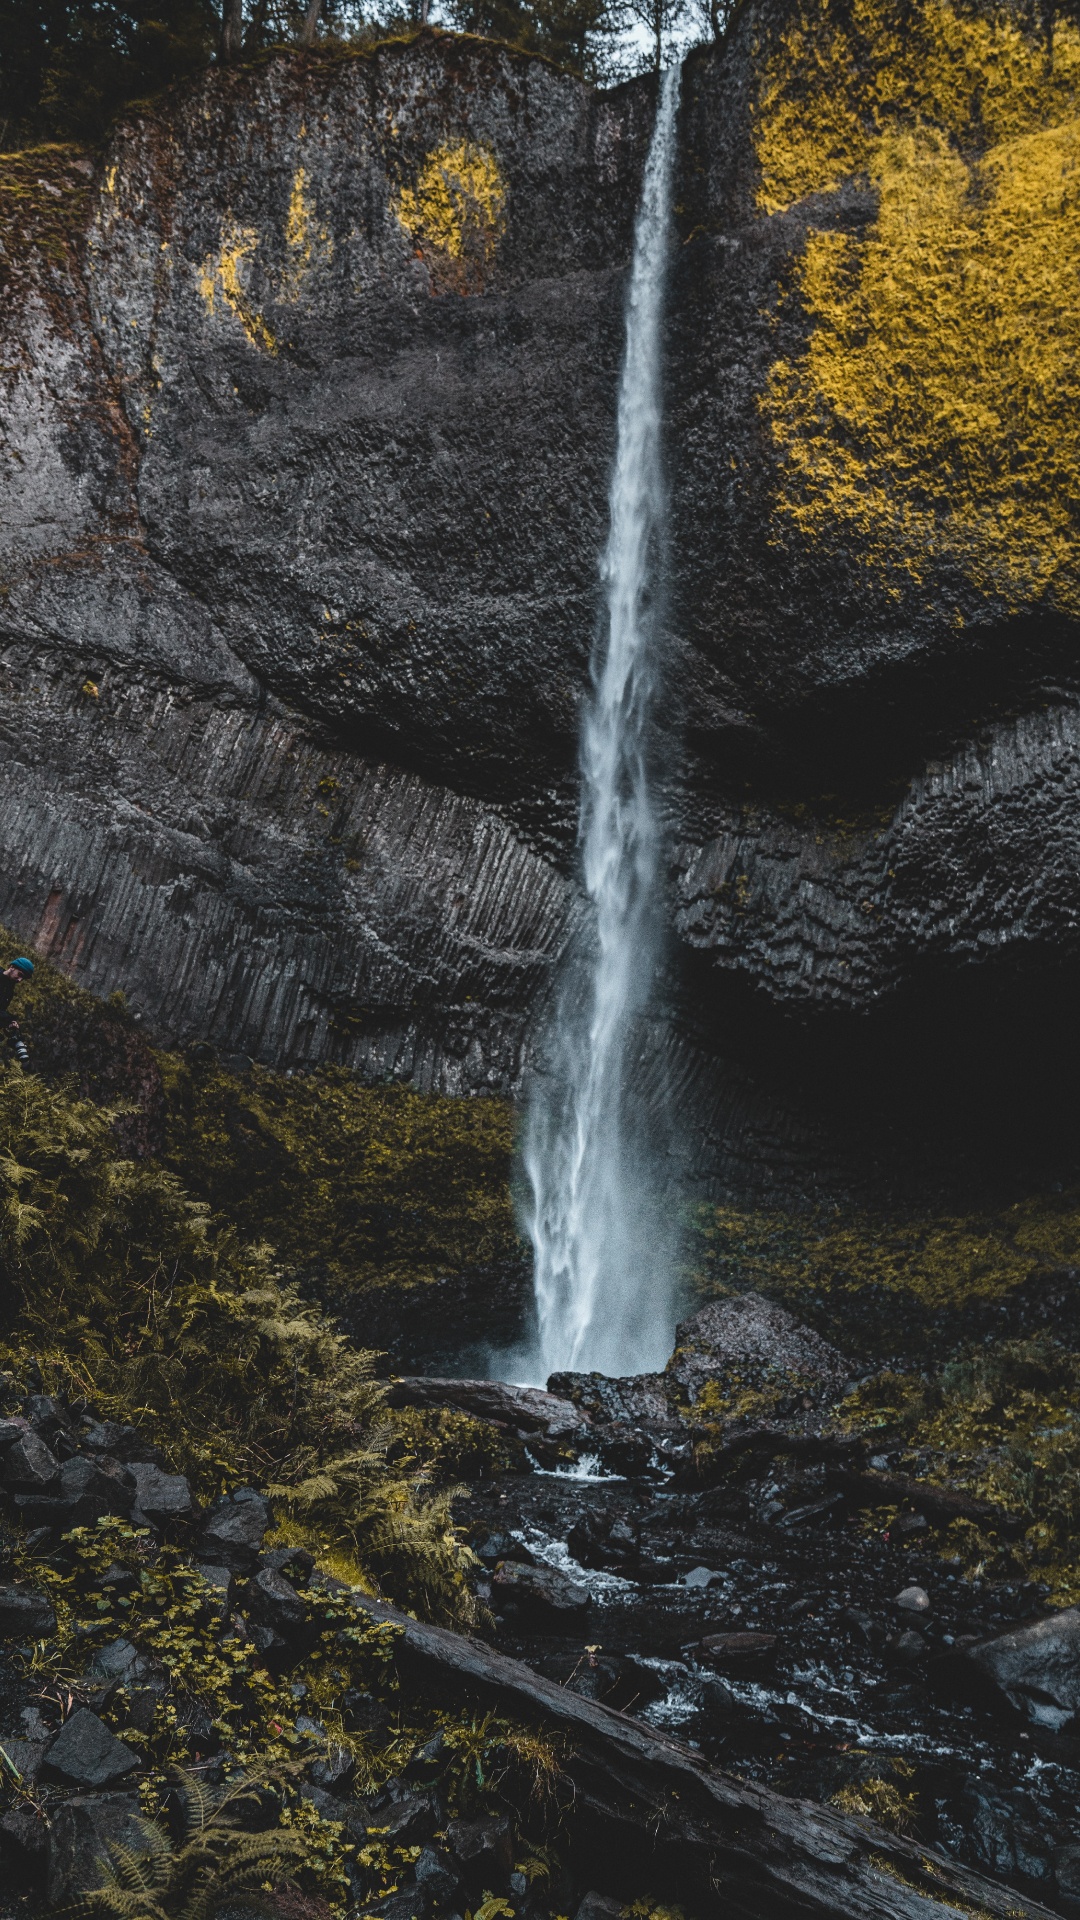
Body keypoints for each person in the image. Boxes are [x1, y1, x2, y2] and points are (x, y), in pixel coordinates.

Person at [0, 957, 33, 1071]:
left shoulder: (9, 990)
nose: (20, 980)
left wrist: (9, 1025)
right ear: (12, 967)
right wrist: (8, 1019)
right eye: (20, 975)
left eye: (23, 978)